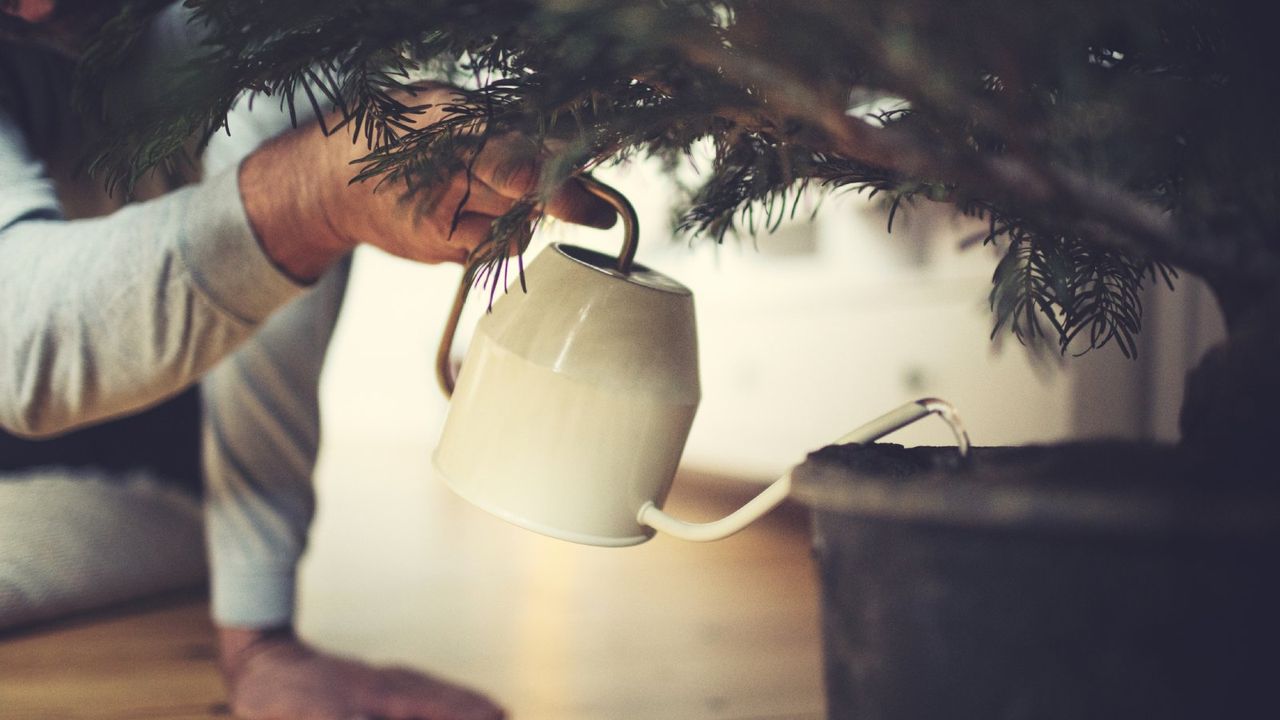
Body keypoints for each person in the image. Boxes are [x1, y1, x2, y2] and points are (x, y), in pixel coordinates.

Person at [0, 1, 613, 718]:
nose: (39, 5)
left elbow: (281, 107)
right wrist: (313, 195)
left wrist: (258, 637)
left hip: (159, 452)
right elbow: (23, 341)